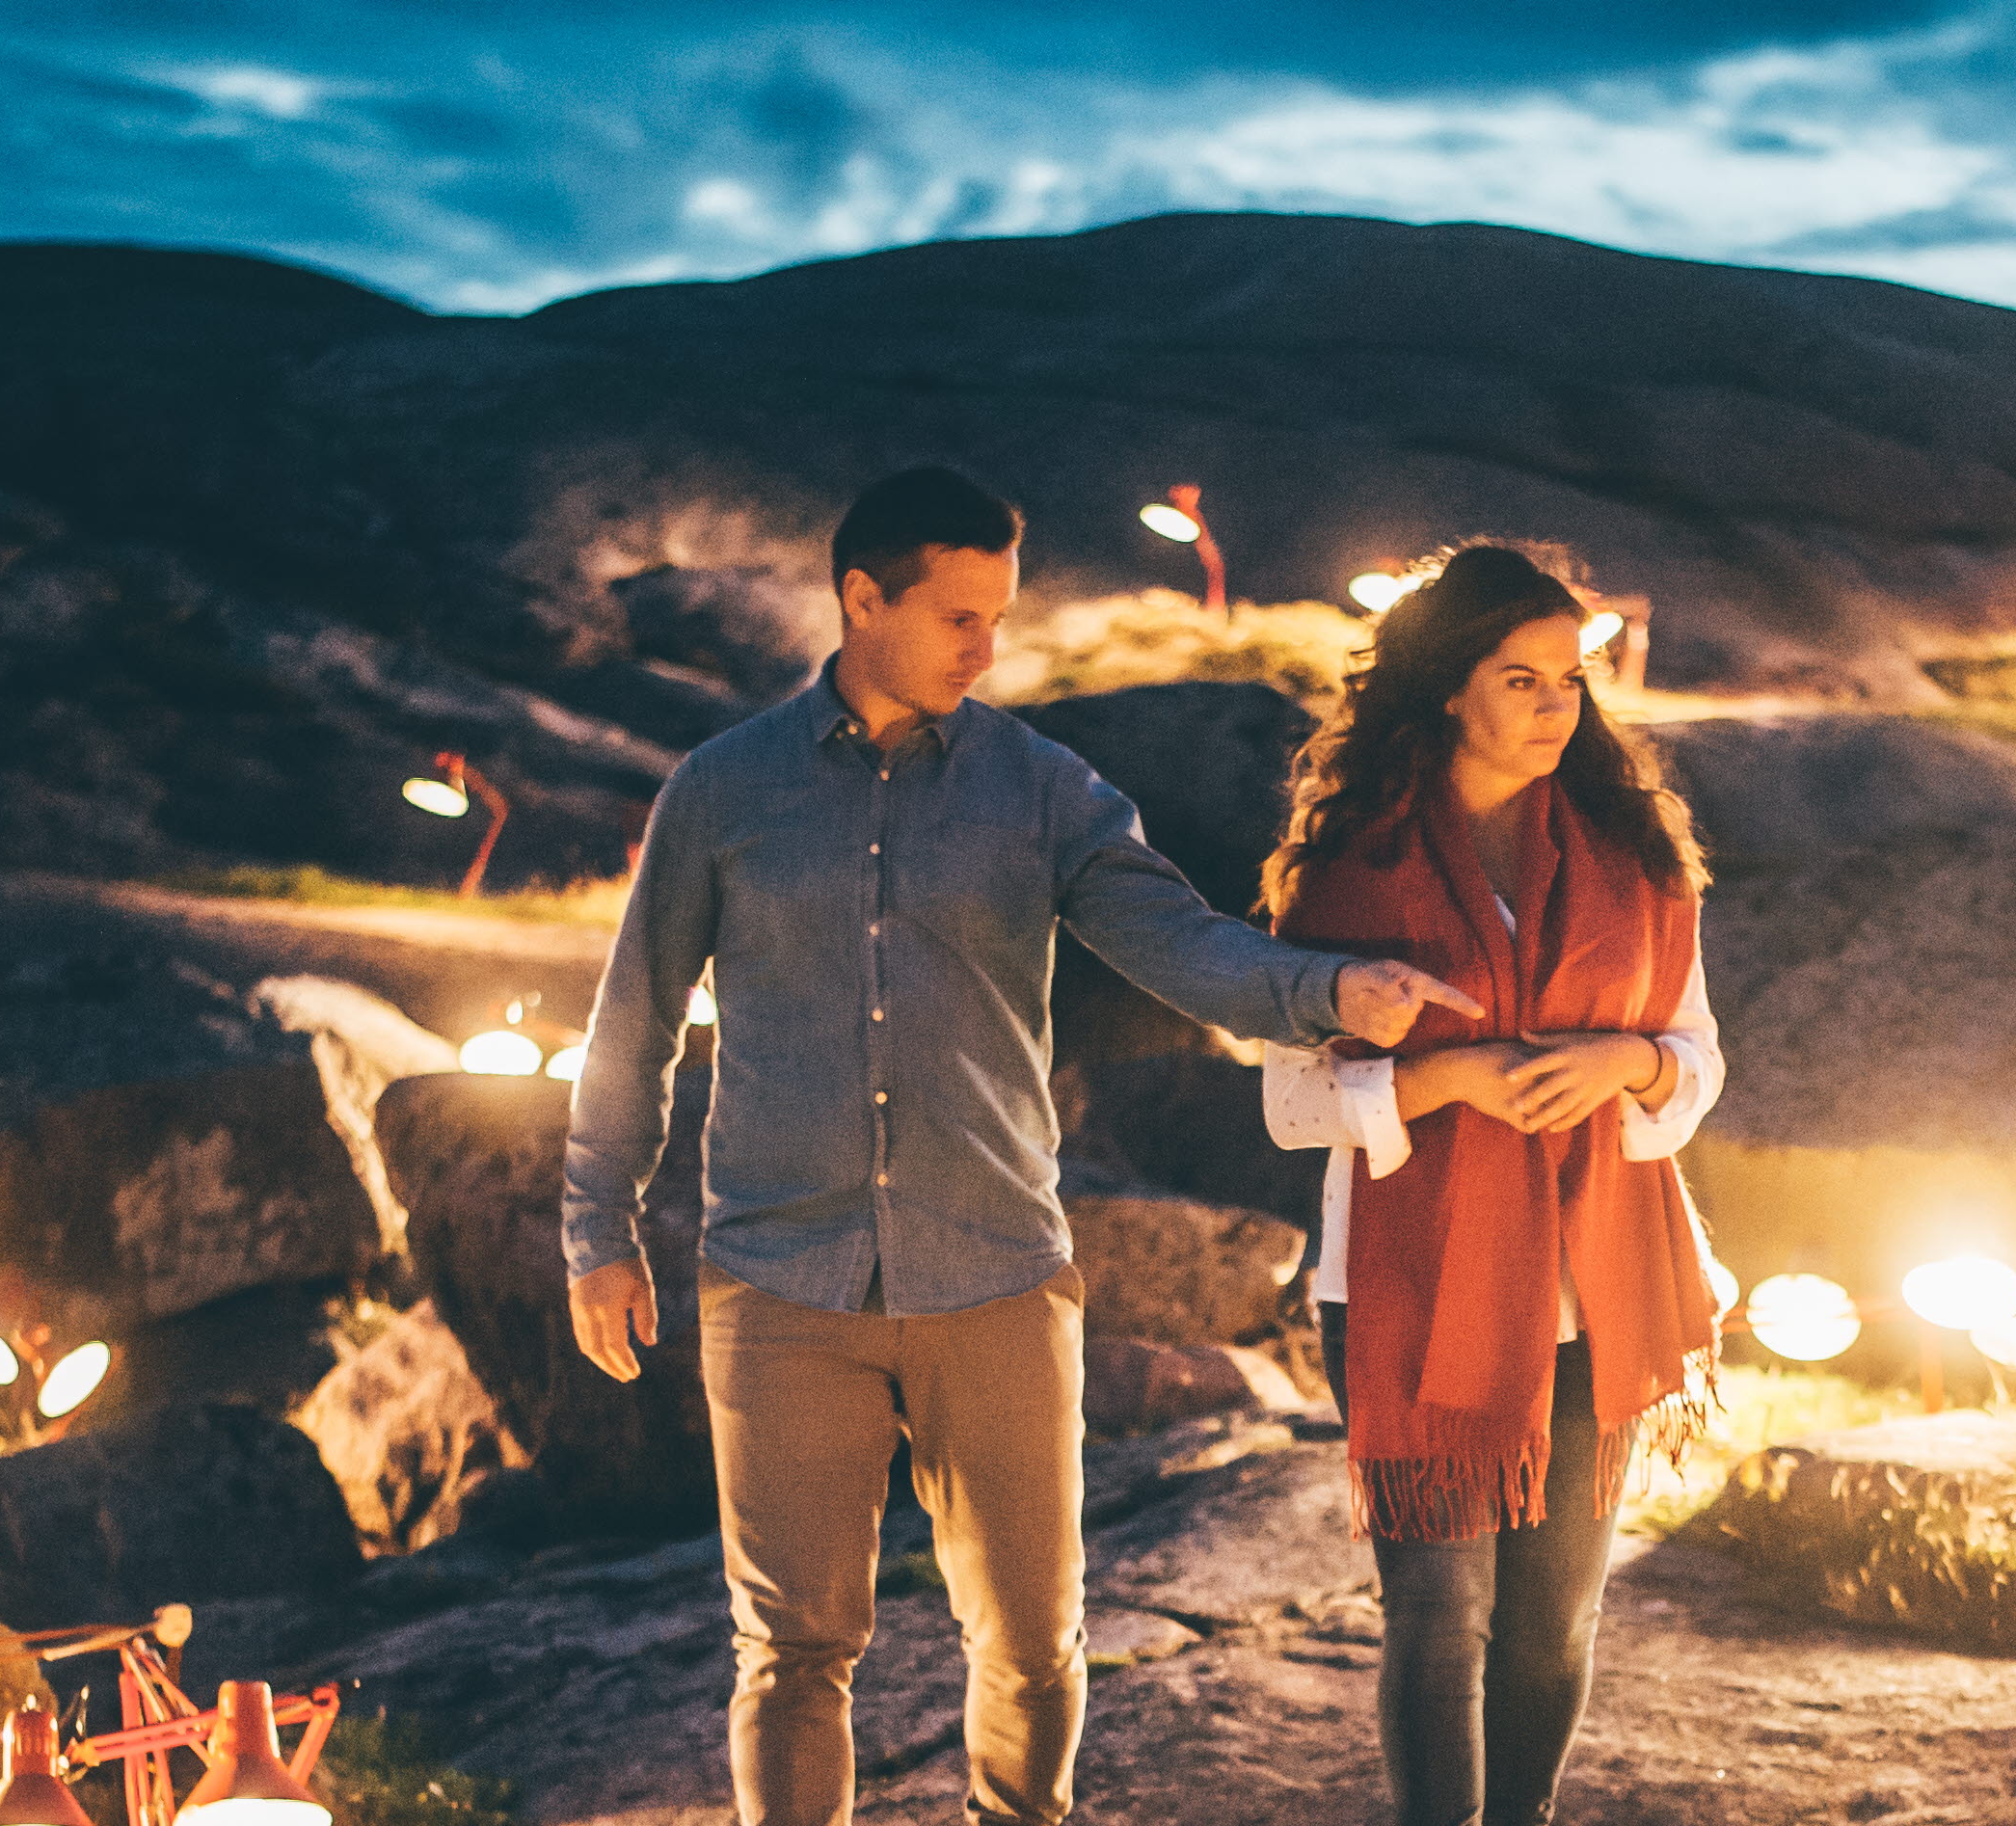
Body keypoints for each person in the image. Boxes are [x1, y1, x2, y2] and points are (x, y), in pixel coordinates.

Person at [557, 465, 1481, 1826]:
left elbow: (1178, 941)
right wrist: (600, 1234)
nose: (987, 649)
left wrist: (1330, 989)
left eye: (998, 616)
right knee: (793, 1648)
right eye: (958, 618)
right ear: (861, 599)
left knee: (1036, 1642)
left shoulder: (1044, 789)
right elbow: (631, 1023)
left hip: (994, 1274)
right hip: (780, 1284)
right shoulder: (721, 790)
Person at [1257, 541, 1729, 1826]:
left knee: (1553, 1626)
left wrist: (1628, 1061)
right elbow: (1292, 1103)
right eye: (1520, 679)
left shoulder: (1637, 857)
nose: (1554, 705)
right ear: (1447, 688)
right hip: (1413, 1284)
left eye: (1569, 679)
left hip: (1596, 1283)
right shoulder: (1351, 870)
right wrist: (1445, 1080)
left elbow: (1697, 1059)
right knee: (1437, 1616)